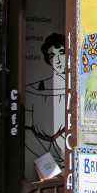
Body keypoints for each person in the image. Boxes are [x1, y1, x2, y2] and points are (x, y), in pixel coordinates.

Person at [25, 33, 66, 180]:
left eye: (62, 53)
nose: (58, 60)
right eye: (52, 56)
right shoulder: (35, 88)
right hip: (45, 157)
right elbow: (27, 130)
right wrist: (49, 158)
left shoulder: (79, 87)